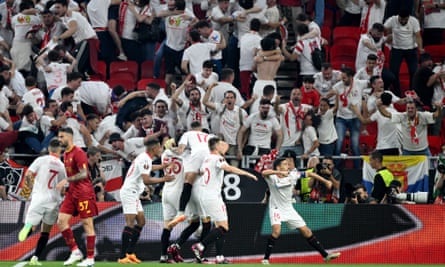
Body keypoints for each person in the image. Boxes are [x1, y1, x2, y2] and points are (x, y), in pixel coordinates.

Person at [260, 157, 341, 264]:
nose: (287, 166)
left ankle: (325, 255)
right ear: (278, 167)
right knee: (276, 231)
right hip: (276, 208)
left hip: (289, 208)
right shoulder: (272, 177)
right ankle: (266, 259)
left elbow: (310, 174)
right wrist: (278, 172)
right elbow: (264, 172)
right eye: (285, 164)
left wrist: (325, 181)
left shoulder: (293, 175)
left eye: (288, 164)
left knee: (306, 231)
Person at [191, 137, 258, 262]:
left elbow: (199, 172)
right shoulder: (218, 158)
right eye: (221, 144)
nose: (224, 146)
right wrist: (248, 174)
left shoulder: (206, 159)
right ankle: (199, 246)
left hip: (204, 195)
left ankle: (219, 257)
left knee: (218, 226)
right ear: (216, 146)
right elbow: (229, 168)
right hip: (212, 197)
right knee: (224, 228)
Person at [117, 139, 174, 263]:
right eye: (160, 148)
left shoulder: (145, 158)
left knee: (141, 221)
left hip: (134, 193)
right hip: (129, 192)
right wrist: (164, 179)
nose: (161, 150)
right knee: (130, 223)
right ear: (154, 148)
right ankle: (122, 256)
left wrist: (162, 166)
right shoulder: (144, 158)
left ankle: (130, 253)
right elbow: (146, 179)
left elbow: (148, 168)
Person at [17, 139, 67, 266]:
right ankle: (35, 258)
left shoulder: (41, 160)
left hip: (39, 197)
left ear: (49, 149)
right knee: (45, 231)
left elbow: (29, 174)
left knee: (32, 225)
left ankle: (28, 227)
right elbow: (63, 188)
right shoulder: (61, 165)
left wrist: (26, 191)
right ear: (59, 151)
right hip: (54, 201)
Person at [57, 127, 97, 267]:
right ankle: (75, 252)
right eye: (59, 137)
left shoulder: (79, 152)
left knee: (87, 224)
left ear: (69, 136)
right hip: (71, 192)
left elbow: (84, 174)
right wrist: (67, 186)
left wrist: (67, 180)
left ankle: (90, 258)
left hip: (84, 193)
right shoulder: (65, 154)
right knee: (61, 221)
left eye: (62, 137)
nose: (59, 139)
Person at [167, 121, 211, 228]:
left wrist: (172, 149)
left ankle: (181, 212)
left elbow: (180, 150)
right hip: (209, 158)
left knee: (188, 181)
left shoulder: (187, 135)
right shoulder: (208, 136)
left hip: (189, 187)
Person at [377, 99, 441, 155]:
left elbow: (436, 115)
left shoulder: (423, 116)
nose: (410, 110)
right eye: (408, 108)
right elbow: (387, 114)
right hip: (407, 151)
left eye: (412, 108)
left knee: (431, 168)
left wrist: (439, 108)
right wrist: (379, 107)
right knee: (405, 169)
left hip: (423, 150)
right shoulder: (402, 116)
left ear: (416, 109)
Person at [384, 7, 423, 96]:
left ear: (408, 17)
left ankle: (412, 92)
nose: (403, 21)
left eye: (405, 19)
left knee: (414, 71)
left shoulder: (414, 21)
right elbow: (383, 28)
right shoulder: (393, 19)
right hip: (397, 49)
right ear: (399, 17)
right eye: (401, 19)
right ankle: (397, 93)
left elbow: (418, 36)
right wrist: (388, 34)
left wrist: (420, 48)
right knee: (393, 72)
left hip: (411, 49)